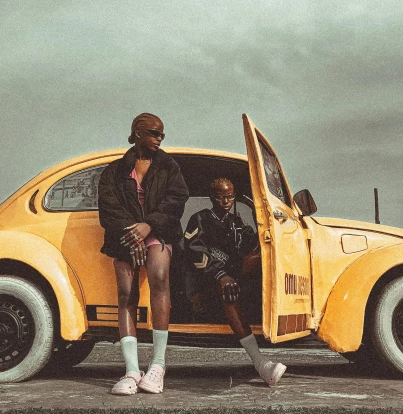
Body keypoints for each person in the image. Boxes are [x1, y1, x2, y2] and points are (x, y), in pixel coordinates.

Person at [98, 113, 189, 395]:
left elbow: (177, 199)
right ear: (137, 133)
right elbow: (108, 207)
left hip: (159, 232)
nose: (160, 138)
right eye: (154, 133)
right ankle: (131, 372)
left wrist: (149, 225)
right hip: (125, 236)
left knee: (159, 281)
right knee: (126, 294)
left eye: (162, 134)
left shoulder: (168, 166)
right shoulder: (114, 170)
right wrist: (132, 233)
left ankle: (158, 367)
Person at [183, 177, 286, 386]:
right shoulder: (200, 219)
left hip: (232, 279)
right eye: (221, 197)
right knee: (230, 291)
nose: (226, 201)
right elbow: (196, 255)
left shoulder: (236, 223)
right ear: (212, 198)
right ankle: (260, 363)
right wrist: (221, 276)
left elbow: (251, 246)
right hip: (206, 283)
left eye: (230, 196)